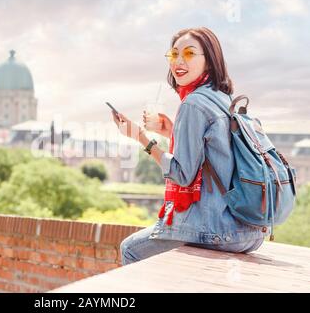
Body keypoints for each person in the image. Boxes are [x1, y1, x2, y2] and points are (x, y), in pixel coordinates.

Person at [111, 27, 266, 266]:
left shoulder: (192, 104)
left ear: (210, 61)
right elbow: (215, 152)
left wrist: (140, 137)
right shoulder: (224, 98)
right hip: (249, 229)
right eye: (174, 54)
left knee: (130, 249)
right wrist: (171, 130)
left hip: (217, 228)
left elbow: (183, 175)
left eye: (190, 54)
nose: (179, 62)